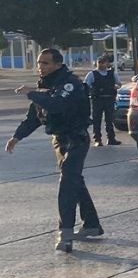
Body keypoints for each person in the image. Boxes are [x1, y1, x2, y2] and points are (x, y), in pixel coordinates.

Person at [5, 49, 104, 253]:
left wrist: (31, 93)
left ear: (58, 65)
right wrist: (17, 137)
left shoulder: (70, 83)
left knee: (67, 181)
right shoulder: (45, 86)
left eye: (46, 63)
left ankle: (65, 234)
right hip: (59, 140)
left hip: (76, 139)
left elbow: (57, 105)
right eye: (39, 63)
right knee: (75, 181)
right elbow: (34, 117)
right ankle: (92, 224)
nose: (41, 66)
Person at [84, 54, 121, 147]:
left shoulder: (112, 73)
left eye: (103, 62)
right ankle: (97, 139)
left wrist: (115, 87)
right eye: (99, 62)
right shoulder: (92, 74)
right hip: (97, 100)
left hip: (109, 99)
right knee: (97, 120)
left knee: (109, 120)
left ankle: (111, 138)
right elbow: (86, 85)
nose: (100, 64)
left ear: (107, 63)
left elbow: (119, 84)